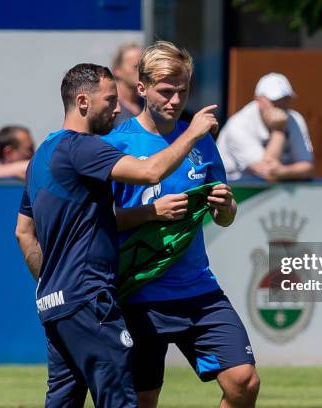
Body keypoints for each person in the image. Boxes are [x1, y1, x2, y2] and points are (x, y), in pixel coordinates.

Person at [14, 63, 217, 407]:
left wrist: (51, 285)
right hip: (90, 299)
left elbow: (23, 232)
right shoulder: (82, 148)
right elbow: (150, 171)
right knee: (120, 401)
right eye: (109, 100)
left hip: (54, 304)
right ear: (82, 102)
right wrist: (193, 133)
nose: (118, 108)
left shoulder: (41, 156)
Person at [102, 41, 260, 408]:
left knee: (244, 382)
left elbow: (225, 216)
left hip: (197, 291)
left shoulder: (202, 143)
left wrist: (226, 207)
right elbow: (98, 221)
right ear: (141, 88)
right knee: (143, 399)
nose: (175, 100)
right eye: (166, 91)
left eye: (183, 91)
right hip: (139, 292)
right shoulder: (116, 144)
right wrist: (150, 212)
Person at [217, 72, 314, 181]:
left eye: (286, 99)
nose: (281, 105)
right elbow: (267, 172)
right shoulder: (238, 125)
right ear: (258, 100)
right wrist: (278, 131)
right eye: (275, 100)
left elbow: (307, 167)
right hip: (234, 189)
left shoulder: (295, 119)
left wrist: (283, 172)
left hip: (276, 190)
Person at [111, 42, 144, 127]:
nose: (141, 71)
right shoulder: (109, 108)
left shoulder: (148, 105)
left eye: (143, 67)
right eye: (136, 67)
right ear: (117, 71)